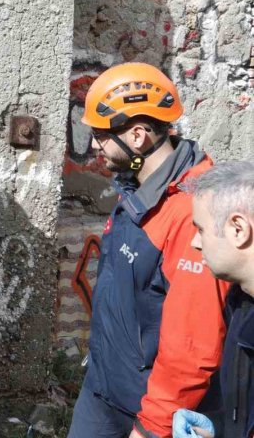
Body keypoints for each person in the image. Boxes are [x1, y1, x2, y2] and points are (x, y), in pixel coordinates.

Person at [66, 62, 231, 438]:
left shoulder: (191, 211)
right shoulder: (138, 189)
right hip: (105, 389)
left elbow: (193, 343)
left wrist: (152, 427)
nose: (93, 144)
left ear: (138, 136)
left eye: (101, 135)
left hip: (147, 411)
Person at [171, 161, 254, 438]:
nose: (195, 242)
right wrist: (216, 428)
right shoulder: (241, 305)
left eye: (201, 229)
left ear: (238, 230)